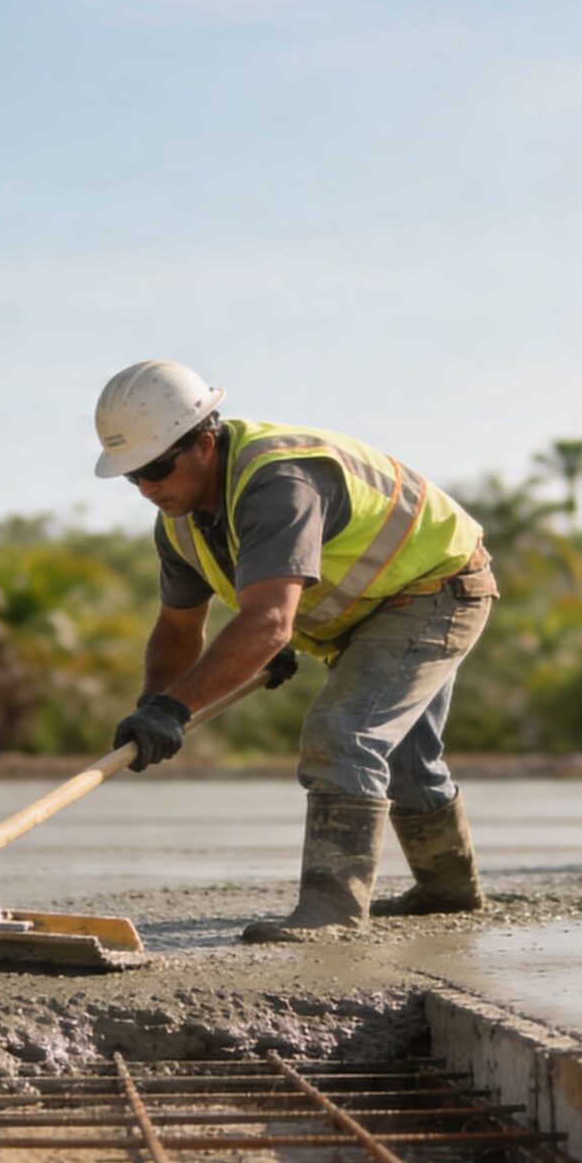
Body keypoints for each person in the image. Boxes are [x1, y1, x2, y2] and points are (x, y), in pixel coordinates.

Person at [93, 360, 498, 941]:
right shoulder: (179, 524)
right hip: (367, 607)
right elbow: (179, 630)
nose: (147, 487)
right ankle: (449, 892)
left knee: (344, 733)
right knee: (406, 759)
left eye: (156, 467)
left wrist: (184, 703)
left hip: (435, 586)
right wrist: (153, 707)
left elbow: (269, 622)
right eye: (132, 476)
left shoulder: (277, 483)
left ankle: (333, 910)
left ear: (204, 442)